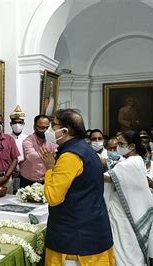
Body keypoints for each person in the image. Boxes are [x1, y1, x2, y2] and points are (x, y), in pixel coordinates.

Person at [39, 109, 114, 265]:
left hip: (74, 240)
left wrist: (49, 169)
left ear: (65, 131)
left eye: (54, 125)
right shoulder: (87, 150)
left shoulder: (70, 156)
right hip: (93, 230)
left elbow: (53, 197)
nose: (50, 130)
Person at [104, 130, 153, 265]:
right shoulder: (131, 160)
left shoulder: (131, 163)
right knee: (125, 247)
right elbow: (111, 164)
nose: (118, 147)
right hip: (122, 210)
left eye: (121, 144)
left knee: (127, 247)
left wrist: (89, 172)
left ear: (132, 146)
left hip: (127, 214)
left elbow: (110, 178)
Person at [20, 115, 53, 188]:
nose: (45, 130)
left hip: (45, 180)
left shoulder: (51, 140)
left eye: (47, 128)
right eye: (42, 128)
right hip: (28, 181)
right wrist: (50, 155)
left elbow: (56, 155)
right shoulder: (27, 141)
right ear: (34, 127)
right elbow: (32, 157)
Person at [9, 105, 28, 192]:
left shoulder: (28, 138)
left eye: (20, 123)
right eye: (14, 123)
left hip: (24, 173)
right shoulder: (7, 138)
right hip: (9, 172)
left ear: (23, 124)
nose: (17, 125)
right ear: (10, 124)